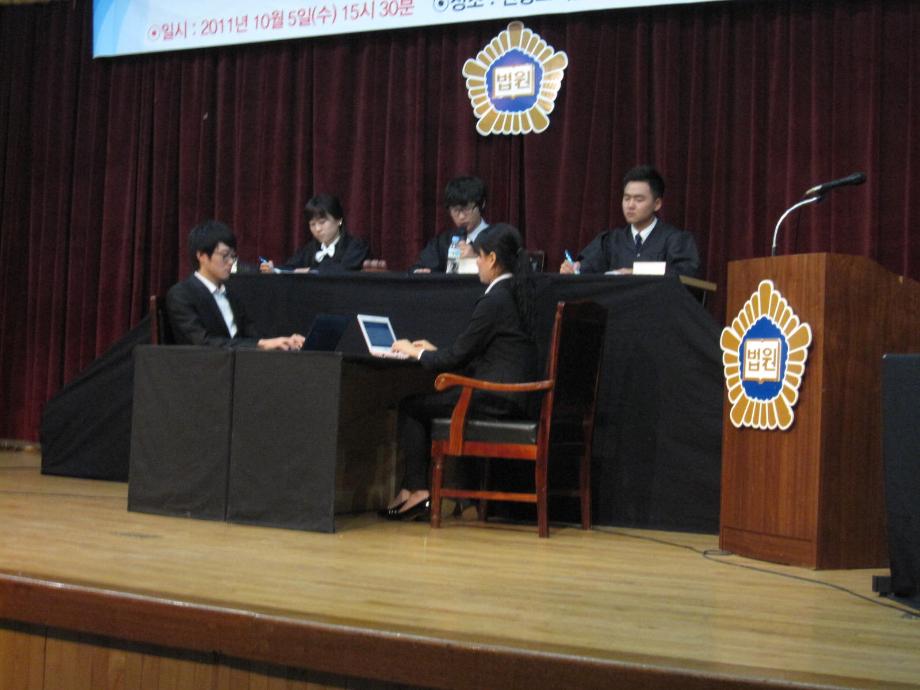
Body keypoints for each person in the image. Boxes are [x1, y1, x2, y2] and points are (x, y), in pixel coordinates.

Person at [385, 223, 538, 520]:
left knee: (411, 407)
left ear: (492, 258)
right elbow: (477, 353)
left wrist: (414, 351)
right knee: (426, 402)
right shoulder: (515, 292)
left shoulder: (496, 299)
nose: (476, 263)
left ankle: (417, 490)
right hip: (511, 397)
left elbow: (457, 356)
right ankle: (416, 489)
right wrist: (434, 350)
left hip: (495, 399)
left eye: (478, 256)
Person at [167, 220, 305, 350]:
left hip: (239, 362)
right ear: (202, 256)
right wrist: (262, 344)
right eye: (224, 255)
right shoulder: (181, 295)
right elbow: (202, 342)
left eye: (232, 256)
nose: (230, 262)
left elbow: (252, 335)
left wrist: (284, 341)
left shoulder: (231, 294)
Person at [560, 165, 700, 277]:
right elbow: (587, 269)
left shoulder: (675, 240)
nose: (630, 205)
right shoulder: (611, 241)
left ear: (657, 204)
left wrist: (636, 272)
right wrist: (574, 269)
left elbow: (685, 274)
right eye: (626, 198)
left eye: (639, 199)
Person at [259, 194, 369, 274]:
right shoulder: (310, 249)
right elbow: (290, 267)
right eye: (312, 224)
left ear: (339, 220)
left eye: (322, 222)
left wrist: (309, 271)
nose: (317, 229)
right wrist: (274, 269)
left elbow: (343, 270)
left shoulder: (356, 246)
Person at [410, 176, 490, 273]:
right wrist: (421, 273)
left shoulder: (498, 238)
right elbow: (417, 269)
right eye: (455, 210)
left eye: (467, 209)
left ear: (482, 204)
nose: (461, 216)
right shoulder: (443, 242)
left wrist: (474, 260)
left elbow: (503, 275)